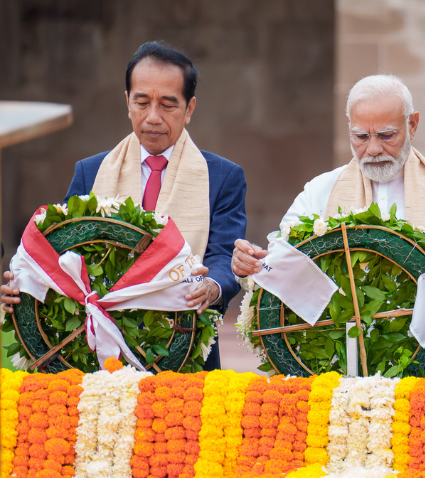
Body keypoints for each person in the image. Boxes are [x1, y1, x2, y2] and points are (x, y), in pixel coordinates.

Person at [1, 41, 246, 368]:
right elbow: (60, 253)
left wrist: (211, 287)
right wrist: (24, 286)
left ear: (189, 109)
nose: (153, 117)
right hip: (97, 354)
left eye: (168, 105)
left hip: (186, 349)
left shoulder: (223, 176)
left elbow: (225, 254)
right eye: (142, 102)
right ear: (127, 102)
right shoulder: (91, 172)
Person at [231, 74, 425, 296]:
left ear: (412, 125)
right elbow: (281, 264)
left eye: (386, 135)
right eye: (360, 136)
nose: (372, 149)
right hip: (340, 351)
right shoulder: (320, 191)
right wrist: (254, 263)